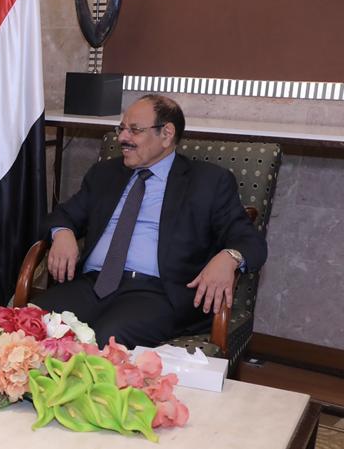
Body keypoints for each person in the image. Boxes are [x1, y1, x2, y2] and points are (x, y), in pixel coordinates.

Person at [31, 94, 267, 348]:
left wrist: (229, 257)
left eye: (134, 130)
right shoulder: (105, 174)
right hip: (92, 284)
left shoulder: (208, 182)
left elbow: (249, 241)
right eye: (122, 128)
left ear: (166, 134)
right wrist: (62, 232)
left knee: (107, 341)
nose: (122, 138)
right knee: (27, 324)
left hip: (157, 293)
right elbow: (63, 214)